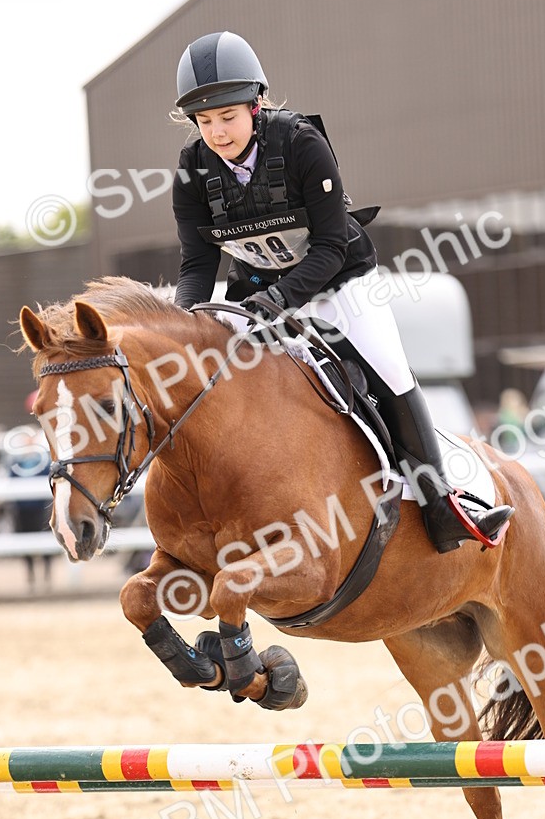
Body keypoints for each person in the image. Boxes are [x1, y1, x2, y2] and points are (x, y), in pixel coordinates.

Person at [171, 31, 513, 552]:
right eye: (204, 121)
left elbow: (330, 245)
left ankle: (441, 503)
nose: (216, 133)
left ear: (256, 104)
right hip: (257, 289)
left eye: (227, 117)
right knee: (201, 373)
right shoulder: (192, 169)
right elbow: (198, 262)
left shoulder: (301, 143)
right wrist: (185, 322)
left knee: (390, 371)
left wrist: (280, 300)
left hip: (340, 282)